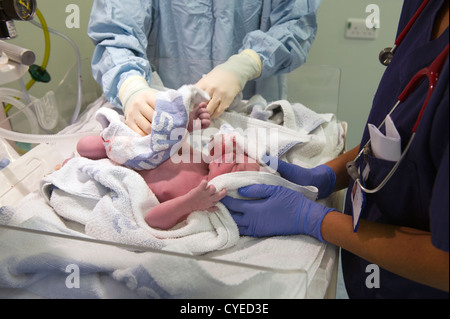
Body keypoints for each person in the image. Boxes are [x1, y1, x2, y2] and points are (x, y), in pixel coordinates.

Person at [221, 0, 449, 298]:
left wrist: (316, 220)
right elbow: (404, 134)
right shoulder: (423, 6)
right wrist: (328, 174)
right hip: (370, 275)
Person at [87, 0, 321, 136]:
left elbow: (297, 23)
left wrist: (248, 62)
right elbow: (115, 30)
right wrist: (131, 87)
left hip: (250, 116)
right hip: (155, 113)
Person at [76, 103, 267, 230]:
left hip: (127, 171)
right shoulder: (203, 161)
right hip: (136, 150)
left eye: (235, 165)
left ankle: (86, 162)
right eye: (235, 155)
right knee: (86, 145)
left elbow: (152, 219)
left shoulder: (200, 199)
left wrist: (189, 203)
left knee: (87, 149)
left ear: (229, 189)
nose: (230, 158)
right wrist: (189, 126)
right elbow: (174, 144)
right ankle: (105, 148)